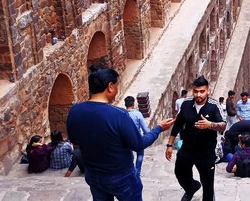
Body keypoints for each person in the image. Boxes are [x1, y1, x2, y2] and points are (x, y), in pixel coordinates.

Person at [67, 66, 174, 201]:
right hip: (121, 176)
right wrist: (158, 128)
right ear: (110, 86)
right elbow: (138, 144)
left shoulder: (75, 111)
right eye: (117, 85)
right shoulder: (119, 115)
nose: (117, 90)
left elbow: (75, 141)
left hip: (93, 175)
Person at [167, 75, 226, 201]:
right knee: (180, 173)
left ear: (208, 91)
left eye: (202, 91)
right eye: (195, 91)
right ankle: (191, 188)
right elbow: (178, 123)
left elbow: (223, 126)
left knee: (208, 185)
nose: (198, 95)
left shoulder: (214, 106)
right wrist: (169, 144)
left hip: (206, 152)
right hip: (187, 148)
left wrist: (210, 125)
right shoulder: (186, 103)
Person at [125, 95, 150, 179]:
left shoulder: (122, 114)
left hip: (125, 139)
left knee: (128, 155)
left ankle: (130, 171)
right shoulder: (138, 114)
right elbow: (145, 130)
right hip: (137, 139)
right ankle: (137, 173)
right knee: (140, 154)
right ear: (133, 104)